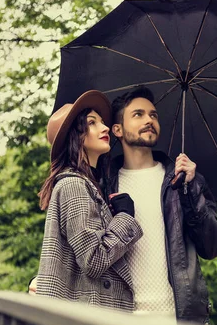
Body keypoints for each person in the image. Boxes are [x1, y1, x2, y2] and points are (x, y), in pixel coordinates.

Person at [107, 86, 217, 325]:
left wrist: (190, 189)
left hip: (178, 321)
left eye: (153, 115)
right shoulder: (105, 183)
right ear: (117, 129)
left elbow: (212, 246)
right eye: (138, 114)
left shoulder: (182, 180)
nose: (149, 120)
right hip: (120, 321)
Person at [36, 90, 143, 310]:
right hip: (89, 316)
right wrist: (124, 218)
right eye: (92, 123)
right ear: (75, 136)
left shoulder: (87, 184)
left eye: (102, 122)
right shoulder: (74, 185)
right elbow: (93, 260)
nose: (105, 128)